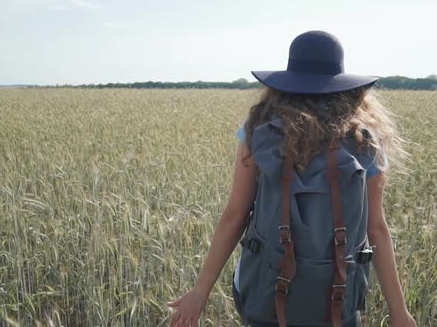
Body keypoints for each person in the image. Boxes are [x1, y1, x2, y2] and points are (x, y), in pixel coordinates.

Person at [167, 30, 416, 327]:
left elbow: (236, 215)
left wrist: (200, 292)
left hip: (265, 294)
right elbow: (376, 229)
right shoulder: (365, 139)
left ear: (287, 79)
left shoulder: (258, 128)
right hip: (340, 299)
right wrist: (398, 311)